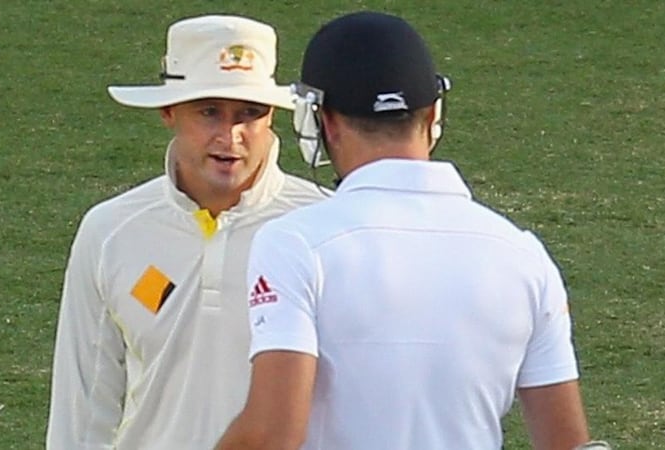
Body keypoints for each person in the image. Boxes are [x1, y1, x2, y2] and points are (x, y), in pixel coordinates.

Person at [216, 11, 611, 450]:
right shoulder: (523, 255)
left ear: (321, 121)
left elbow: (271, 436)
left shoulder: (295, 243)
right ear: (434, 113)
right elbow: (569, 445)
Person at [45, 14, 326, 449]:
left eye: (249, 113)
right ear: (169, 111)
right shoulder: (110, 232)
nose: (230, 135)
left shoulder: (324, 229)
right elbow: (82, 407)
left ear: (272, 116)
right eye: (209, 112)